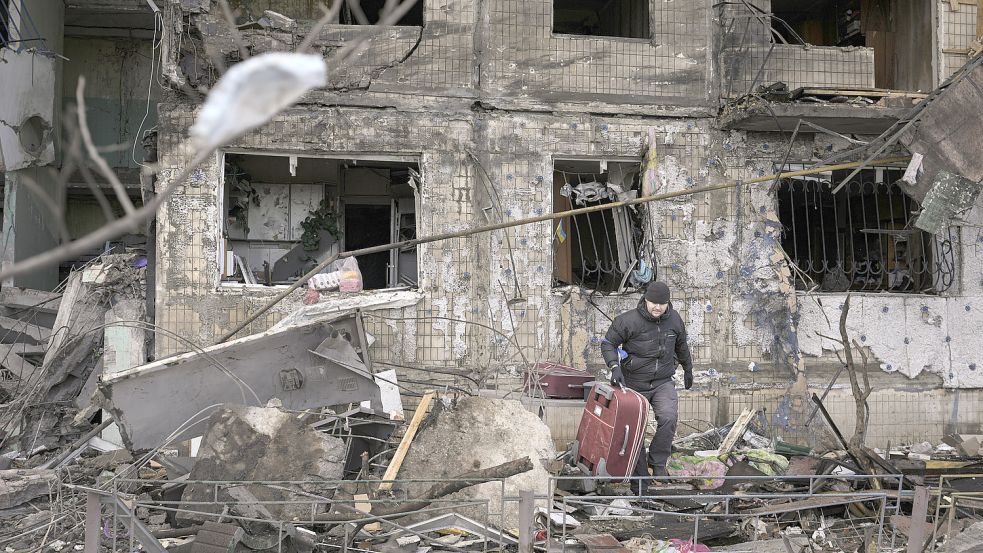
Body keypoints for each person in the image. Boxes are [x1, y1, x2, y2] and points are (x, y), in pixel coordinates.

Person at [600, 281, 693, 494]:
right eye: (653, 303)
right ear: (645, 300)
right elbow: (608, 344)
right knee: (635, 433)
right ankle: (640, 485)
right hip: (634, 382)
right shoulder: (628, 321)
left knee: (668, 417)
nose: (657, 307)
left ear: (668, 303)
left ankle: (658, 464)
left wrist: (688, 369)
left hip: (662, 381)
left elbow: (682, 346)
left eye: (662, 304)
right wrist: (614, 367)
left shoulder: (675, 320)